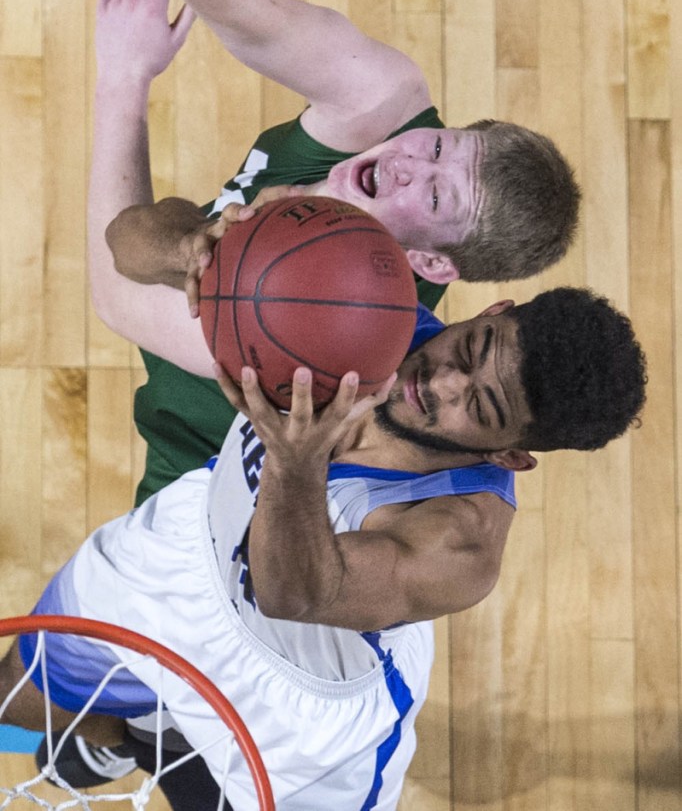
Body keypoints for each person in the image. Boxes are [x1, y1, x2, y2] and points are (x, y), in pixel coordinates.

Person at [70, 0, 580, 495]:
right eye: (438, 147)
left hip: (190, 492)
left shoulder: (328, 324)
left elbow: (116, 290)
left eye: (433, 197)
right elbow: (257, 17)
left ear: (429, 261)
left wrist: (123, 81)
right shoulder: (389, 100)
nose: (405, 163)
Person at [0, 290, 646, 809]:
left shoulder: (459, 542)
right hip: (189, 556)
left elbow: (293, 592)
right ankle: (129, 737)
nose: (442, 379)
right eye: (471, 348)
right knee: (12, 697)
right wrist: (193, 249)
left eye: (477, 404)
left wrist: (295, 462)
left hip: (303, 700)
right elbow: (129, 266)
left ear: (509, 454)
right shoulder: (362, 313)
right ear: (493, 310)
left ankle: (153, 739)